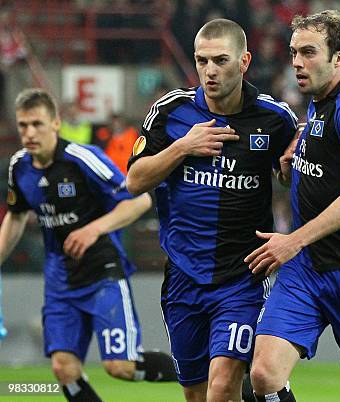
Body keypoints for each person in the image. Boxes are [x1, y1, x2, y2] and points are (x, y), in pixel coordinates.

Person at [126, 18, 298, 402]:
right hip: (183, 277)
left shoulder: (274, 119)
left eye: (220, 60)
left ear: (244, 61)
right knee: (197, 392)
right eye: (202, 61)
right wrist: (182, 147)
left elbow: (296, 172)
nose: (210, 71)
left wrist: (290, 169)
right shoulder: (172, 112)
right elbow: (135, 180)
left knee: (222, 386)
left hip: (242, 277)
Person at [245, 10, 340, 402]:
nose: (296, 61)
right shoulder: (318, 102)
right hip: (307, 269)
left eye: (309, 52)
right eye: (294, 52)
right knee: (263, 374)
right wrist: (297, 149)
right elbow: (325, 148)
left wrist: (292, 240)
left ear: (339, 58)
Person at [0, 88, 177, 402]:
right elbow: (15, 217)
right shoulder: (19, 167)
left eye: (37, 124)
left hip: (101, 273)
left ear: (55, 123)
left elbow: (137, 201)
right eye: (23, 125)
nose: (29, 133)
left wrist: (93, 229)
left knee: (120, 367)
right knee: (64, 369)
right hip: (60, 281)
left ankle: (200, 372)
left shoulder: (82, 158)